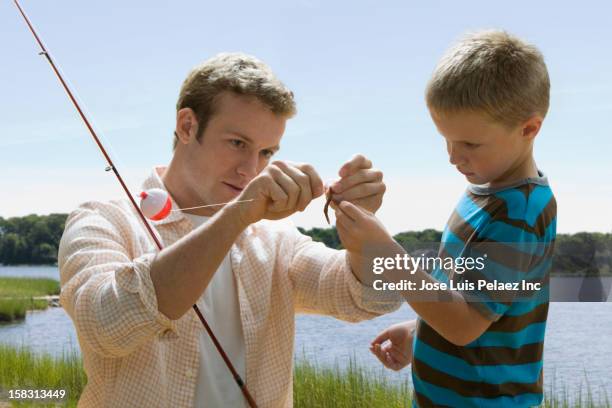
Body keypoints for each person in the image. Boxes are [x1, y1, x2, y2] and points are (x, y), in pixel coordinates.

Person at [58, 53, 400, 408]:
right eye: (238, 143)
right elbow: (104, 326)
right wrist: (237, 215)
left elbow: (369, 299)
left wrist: (363, 234)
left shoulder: (277, 241)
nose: (250, 170)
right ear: (187, 126)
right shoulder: (102, 220)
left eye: (266, 152)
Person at [331, 30, 557, 407]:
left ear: (529, 128)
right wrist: (420, 331)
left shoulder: (520, 213)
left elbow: (465, 324)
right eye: (446, 139)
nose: (454, 156)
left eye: (469, 143)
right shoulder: (481, 191)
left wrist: (384, 254)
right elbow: (464, 296)